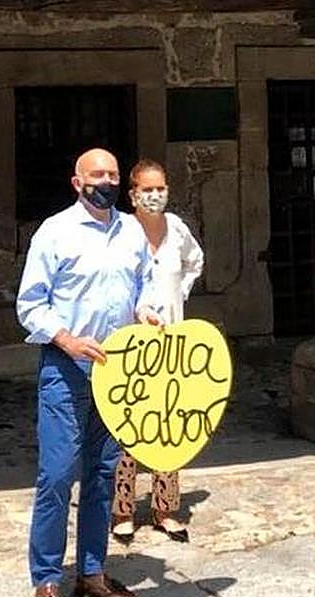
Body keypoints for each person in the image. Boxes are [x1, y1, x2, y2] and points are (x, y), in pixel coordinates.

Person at [16, 147, 157, 597]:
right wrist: (67, 339)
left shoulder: (132, 231)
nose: (107, 181)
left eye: (114, 174)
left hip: (118, 372)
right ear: (77, 182)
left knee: (104, 473)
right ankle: (47, 580)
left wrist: (147, 310)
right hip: (66, 367)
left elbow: (146, 284)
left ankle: (93, 571)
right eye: (97, 174)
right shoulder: (55, 232)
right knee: (57, 476)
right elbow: (30, 304)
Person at [110, 158, 205, 543]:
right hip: (130, 343)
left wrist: (175, 299)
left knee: (170, 423)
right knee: (128, 425)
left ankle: (166, 507)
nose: (154, 195)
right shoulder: (119, 230)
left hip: (170, 341)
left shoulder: (177, 229)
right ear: (133, 193)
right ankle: (123, 509)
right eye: (146, 189)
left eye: (160, 188)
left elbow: (194, 263)